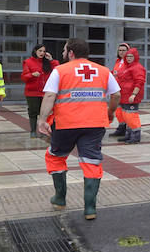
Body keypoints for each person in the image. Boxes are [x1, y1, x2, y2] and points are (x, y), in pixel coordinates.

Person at [37, 37, 120, 220]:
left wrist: (42, 119)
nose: (63, 53)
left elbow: (50, 95)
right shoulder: (103, 71)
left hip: (66, 124)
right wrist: (111, 111)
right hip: (95, 124)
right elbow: (116, 94)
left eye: (65, 50)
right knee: (91, 161)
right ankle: (90, 208)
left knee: (56, 157)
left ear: (71, 52)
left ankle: (60, 199)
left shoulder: (60, 70)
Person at [20, 43, 58, 137]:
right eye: (40, 51)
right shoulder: (28, 62)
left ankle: (44, 130)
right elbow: (24, 77)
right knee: (33, 112)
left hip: (45, 92)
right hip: (32, 92)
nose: (42, 53)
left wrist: (51, 59)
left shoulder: (48, 62)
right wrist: (32, 75)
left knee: (46, 112)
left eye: (44, 51)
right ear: (35, 51)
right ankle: (33, 131)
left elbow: (57, 69)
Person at [115, 47, 147, 144]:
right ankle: (128, 135)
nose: (129, 58)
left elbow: (140, 82)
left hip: (131, 96)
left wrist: (133, 94)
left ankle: (136, 137)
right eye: (128, 56)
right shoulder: (125, 67)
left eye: (131, 56)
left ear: (135, 57)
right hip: (124, 95)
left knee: (132, 116)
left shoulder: (137, 67)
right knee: (125, 116)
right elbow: (120, 78)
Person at [110, 43, 131, 138]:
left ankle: (128, 130)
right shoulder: (118, 62)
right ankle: (121, 127)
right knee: (118, 111)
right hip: (117, 90)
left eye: (123, 50)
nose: (121, 52)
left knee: (126, 112)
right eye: (120, 50)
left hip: (126, 90)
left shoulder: (130, 62)